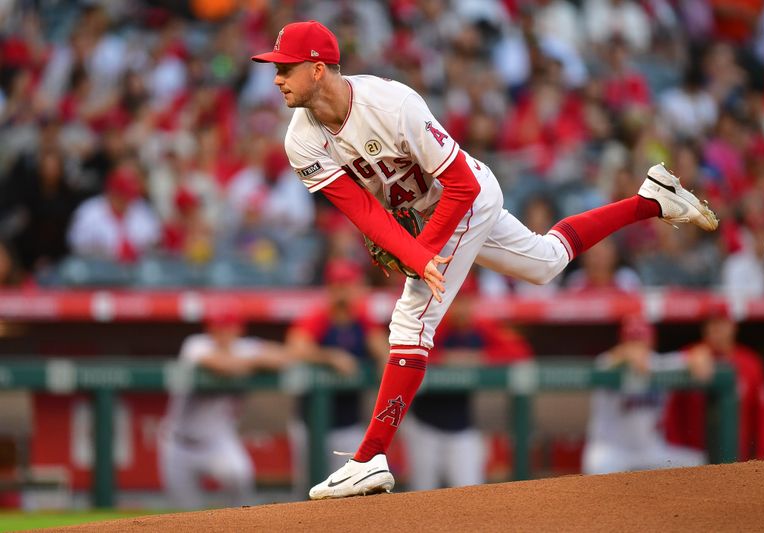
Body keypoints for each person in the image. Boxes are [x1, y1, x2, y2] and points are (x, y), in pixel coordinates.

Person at [250, 20, 719, 499]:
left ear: (318, 69)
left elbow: (462, 185)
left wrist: (423, 253)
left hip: (464, 198)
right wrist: (411, 252)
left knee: (411, 321)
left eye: (285, 68)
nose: (276, 78)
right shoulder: (300, 139)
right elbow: (365, 212)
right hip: (425, 212)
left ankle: (370, 457)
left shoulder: (392, 104)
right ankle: (651, 199)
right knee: (546, 262)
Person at [404, 274, 532, 490]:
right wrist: (444, 359)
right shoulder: (434, 324)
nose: (461, 307)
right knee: (421, 494)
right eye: (456, 299)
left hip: (461, 427)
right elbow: (408, 350)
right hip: (424, 425)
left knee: (470, 492)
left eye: (466, 300)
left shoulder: (479, 328)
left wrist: (480, 357)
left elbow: (520, 352)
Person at [158, 303, 292, 509]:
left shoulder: (245, 347)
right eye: (217, 327)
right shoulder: (196, 344)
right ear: (209, 329)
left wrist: (251, 358)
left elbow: (284, 357)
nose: (222, 333)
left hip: (218, 441)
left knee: (240, 478)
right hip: (179, 443)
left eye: (228, 327)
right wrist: (253, 363)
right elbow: (222, 365)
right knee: (184, 513)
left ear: (238, 329)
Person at [285, 259, 388, 496]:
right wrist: (331, 357)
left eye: (348, 285)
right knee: (308, 490)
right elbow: (295, 348)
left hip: (349, 423)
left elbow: (384, 352)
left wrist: (381, 362)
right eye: (338, 285)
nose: (343, 292)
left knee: (350, 492)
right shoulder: (319, 317)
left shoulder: (362, 320)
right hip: (311, 424)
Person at [582, 315, 712, 475]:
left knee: (697, 463)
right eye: (632, 340)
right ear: (622, 342)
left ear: (652, 342)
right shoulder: (607, 362)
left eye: (641, 340)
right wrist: (624, 354)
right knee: (596, 470)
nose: (637, 346)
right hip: (611, 451)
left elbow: (694, 356)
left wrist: (700, 356)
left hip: (650, 451)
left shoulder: (657, 364)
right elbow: (605, 364)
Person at [664, 303, 764, 461]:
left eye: (721, 323)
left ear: (733, 326)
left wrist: (761, 458)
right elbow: (673, 413)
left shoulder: (751, 363)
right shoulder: (689, 356)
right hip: (693, 460)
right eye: (711, 323)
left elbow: (763, 418)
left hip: (737, 459)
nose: (715, 329)